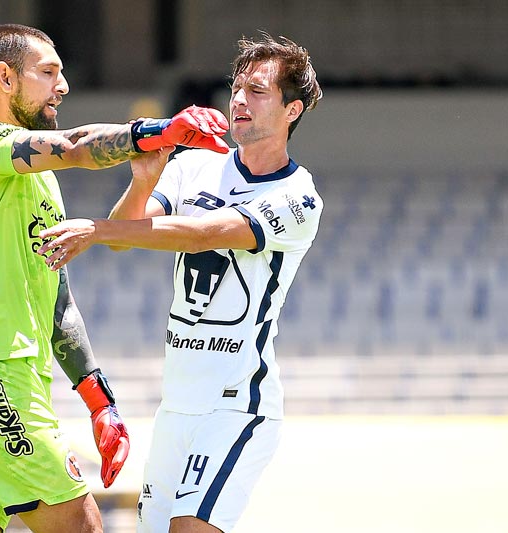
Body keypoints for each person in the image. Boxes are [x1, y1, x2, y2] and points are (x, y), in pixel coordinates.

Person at [0, 23, 229, 533]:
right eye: (48, 73)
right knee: (82, 527)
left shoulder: (34, 177)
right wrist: (159, 131)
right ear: (4, 76)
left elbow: (57, 299)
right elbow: (75, 145)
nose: (62, 86)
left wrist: (99, 402)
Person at [37, 32, 323, 533]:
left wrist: (95, 230)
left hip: (237, 405)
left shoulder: (299, 198)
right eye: (236, 87)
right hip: (177, 407)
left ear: (292, 109)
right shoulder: (193, 166)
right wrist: (144, 178)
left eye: (257, 91)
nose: (238, 99)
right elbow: (131, 233)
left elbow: (203, 234)